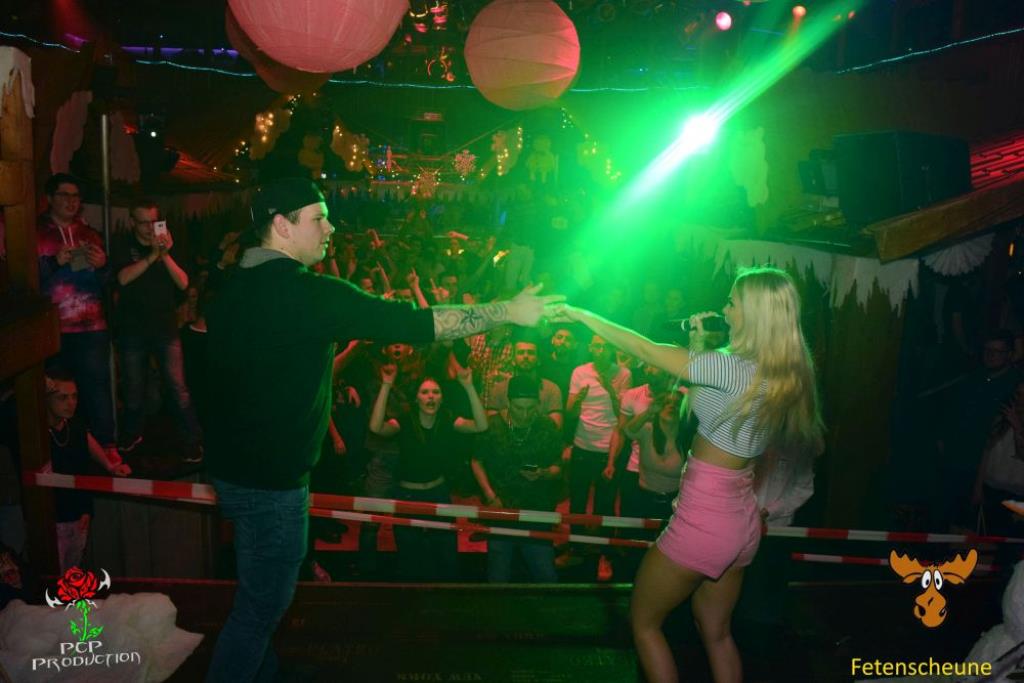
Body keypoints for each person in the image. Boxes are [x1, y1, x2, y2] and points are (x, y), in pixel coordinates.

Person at [203, 178, 560, 683]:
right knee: (259, 610)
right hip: (272, 482)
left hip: (233, 471)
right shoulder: (308, 293)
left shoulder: (231, 288)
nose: (331, 228)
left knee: (257, 597)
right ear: (281, 225)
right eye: (319, 218)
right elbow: (417, 324)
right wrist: (507, 311)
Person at [551, 266, 823, 683]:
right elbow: (695, 408)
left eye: (732, 302)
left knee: (644, 623)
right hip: (740, 521)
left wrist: (581, 314)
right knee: (717, 634)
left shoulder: (730, 368)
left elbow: (644, 348)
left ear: (752, 312)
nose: (724, 310)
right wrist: (698, 345)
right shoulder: (778, 371)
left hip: (705, 521)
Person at [368, 363, 487, 581]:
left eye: (435, 392)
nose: (430, 396)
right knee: (410, 559)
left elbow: (481, 426)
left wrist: (469, 387)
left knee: (447, 558)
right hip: (407, 496)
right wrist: (386, 385)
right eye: (424, 392)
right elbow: (376, 427)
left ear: (441, 398)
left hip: (437, 492)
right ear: (417, 398)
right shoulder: (405, 420)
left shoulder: (448, 419)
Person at [112, 199, 203, 462]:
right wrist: (152, 255)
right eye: (143, 222)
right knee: (133, 388)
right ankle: (132, 434)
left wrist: (165, 254)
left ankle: (192, 440)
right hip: (132, 329)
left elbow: (183, 283)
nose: (149, 228)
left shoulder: (169, 245)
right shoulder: (123, 244)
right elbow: (122, 279)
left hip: (165, 327)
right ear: (132, 222)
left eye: (154, 222)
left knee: (178, 387)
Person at [36, 174, 117, 458]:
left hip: (91, 327)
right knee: (56, 393)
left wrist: (103, 266)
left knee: (96, 390)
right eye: (65, 195)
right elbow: (23, 281)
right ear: (50, 198)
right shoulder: (35, 233)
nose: (71, 201)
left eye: (76, 196)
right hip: (51, 328)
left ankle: (106, 448)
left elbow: (109, 282)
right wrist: (52, 262)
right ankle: (60, 449)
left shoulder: (89, 233)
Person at [473, 374, 564, 583]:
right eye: (518, 408)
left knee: (545, 572)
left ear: (538, 404)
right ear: (508, 402)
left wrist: (543, 473)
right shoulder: (493, 426)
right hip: (501, 506)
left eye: (531, 409)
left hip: (537, 508)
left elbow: (558, 466)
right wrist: (489, 495)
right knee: (498, 572)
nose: (524, 414)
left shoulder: (546, 426)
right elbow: (476, 460)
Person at [44, 368, 131, 571]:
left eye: (74, 396)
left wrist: (110, 466)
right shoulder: (36, 432)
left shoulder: (74, 424)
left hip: (77, 515)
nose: (71, 403)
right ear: (46, 399)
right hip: (51, 518)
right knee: (53, 575)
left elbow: (86, 441)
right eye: (62, 397)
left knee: (72, 572)